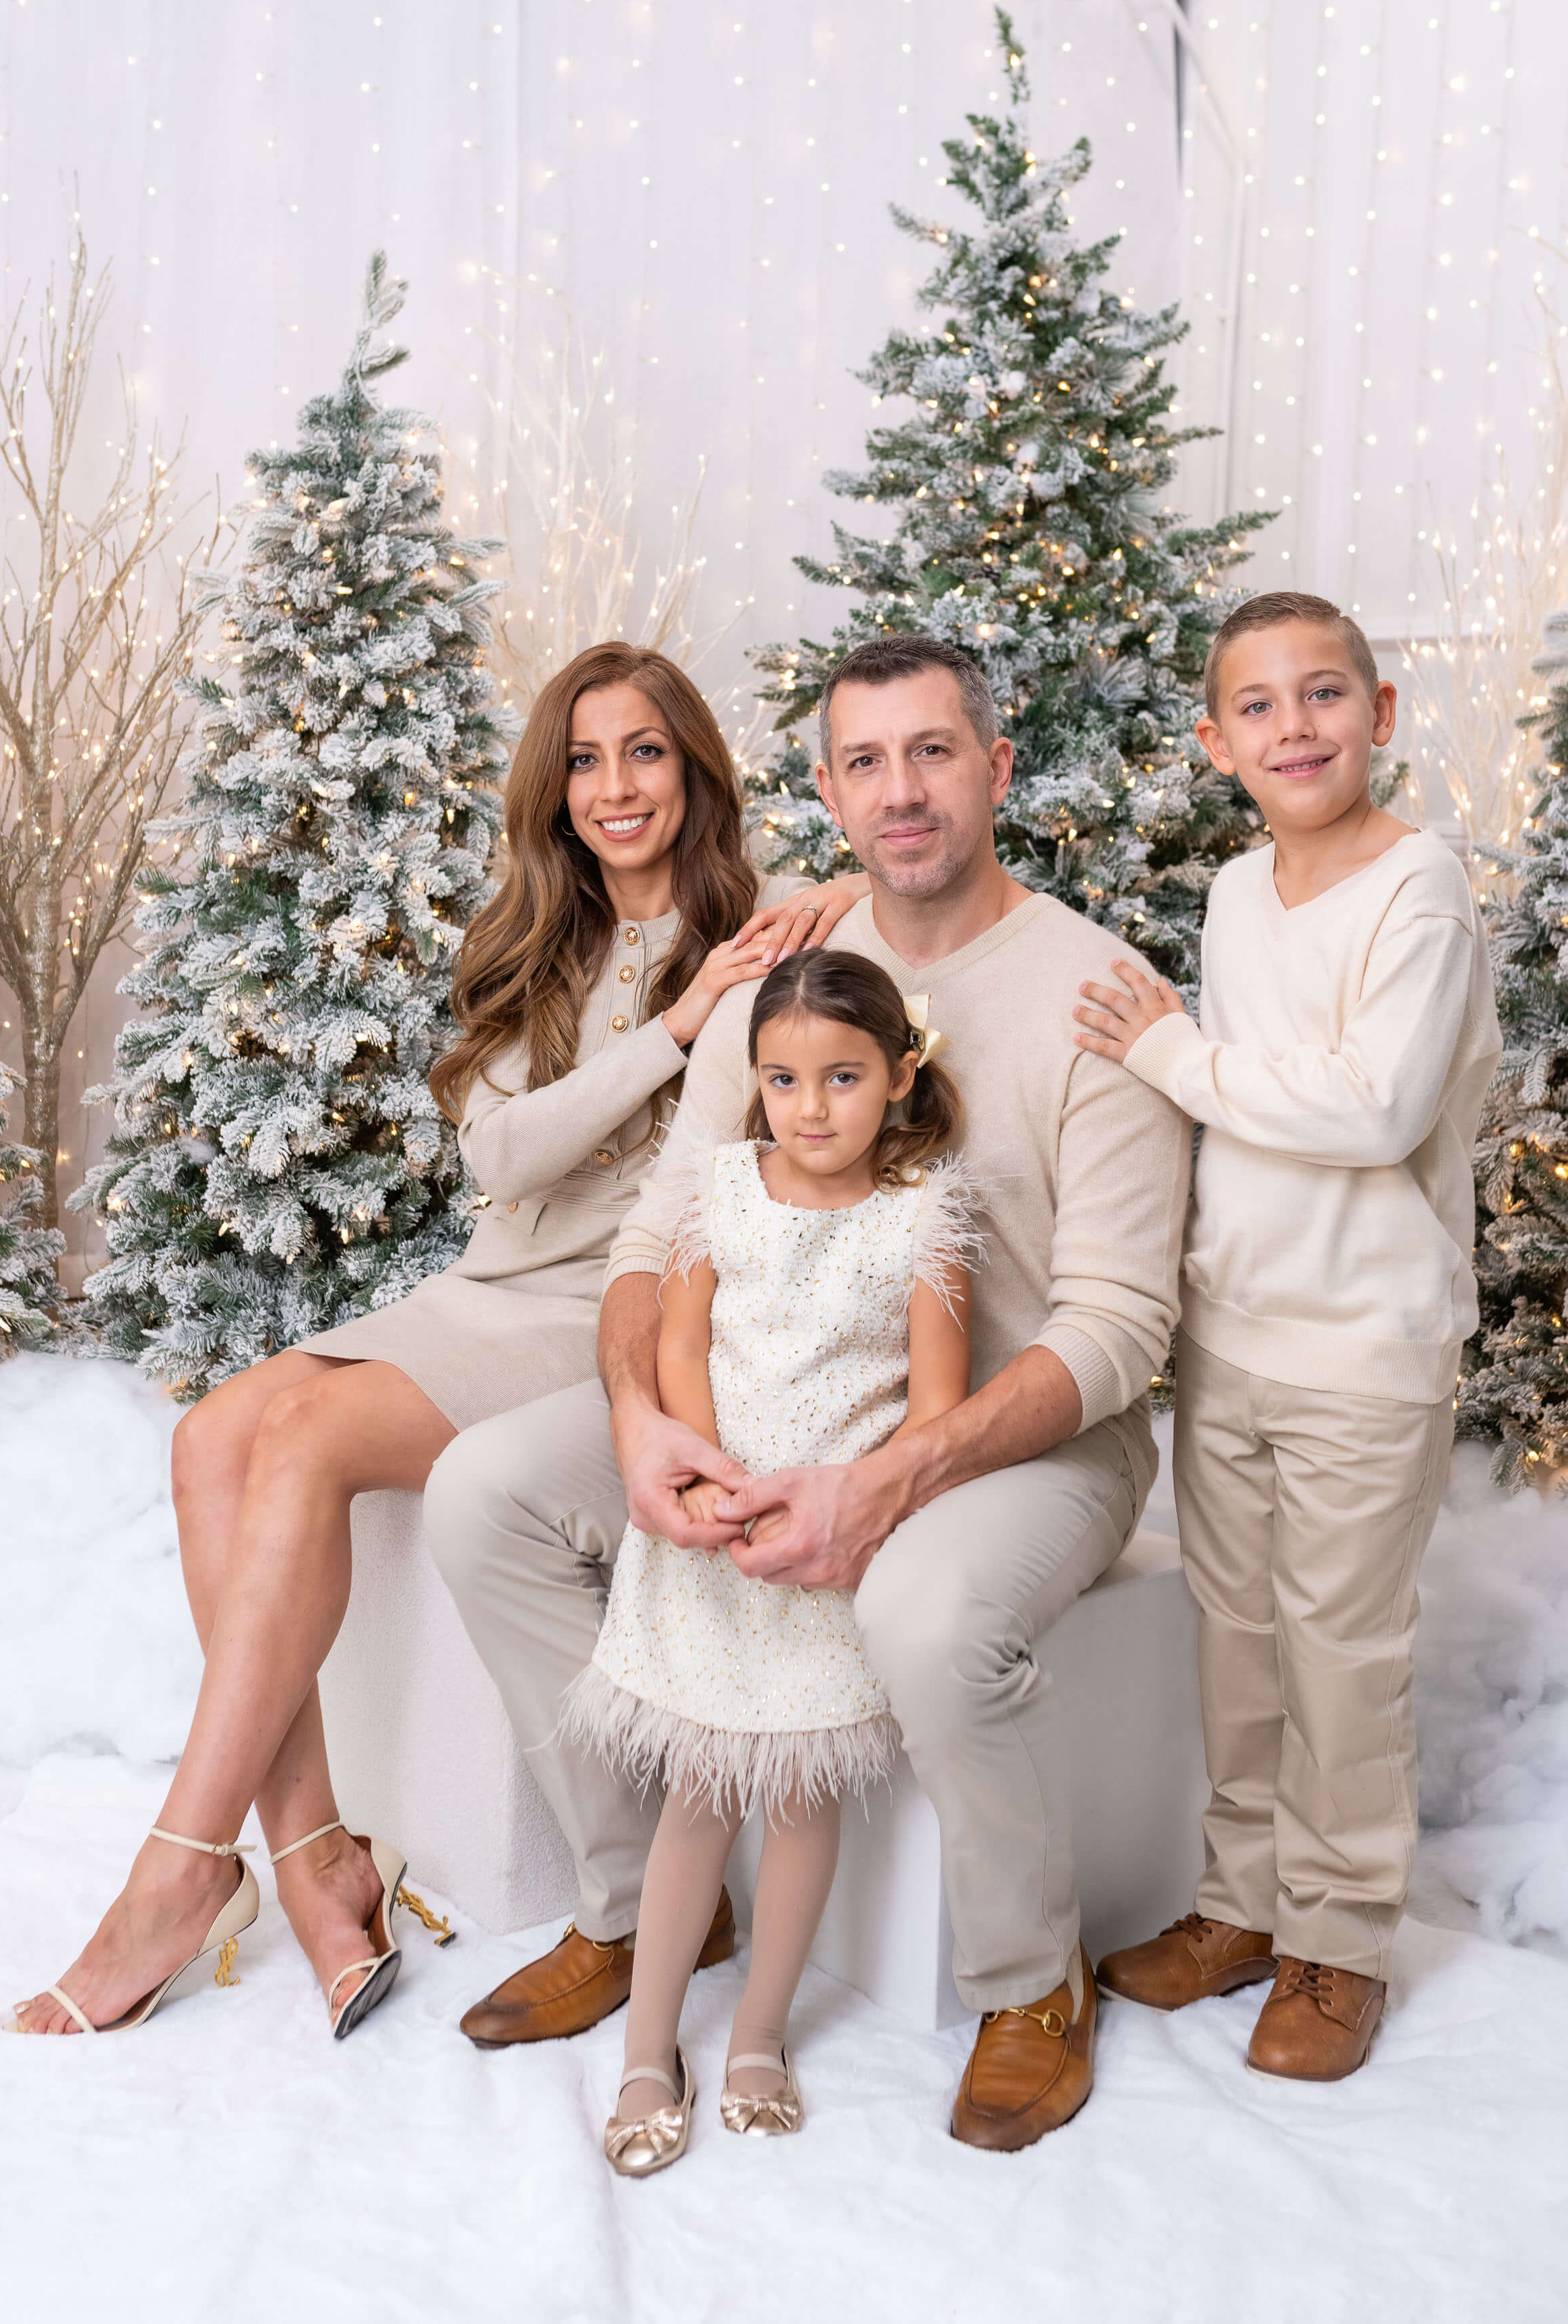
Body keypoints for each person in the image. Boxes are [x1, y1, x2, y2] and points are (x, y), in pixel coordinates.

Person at [1, 641, 864, 2038]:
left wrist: (778, 946)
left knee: (307, 1441)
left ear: (695, 769)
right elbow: (506, 1159)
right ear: (555, 788)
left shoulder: (770, 929)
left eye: (644, 751)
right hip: (486, 1289)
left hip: (611, 1314)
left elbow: (875, 972)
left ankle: (176, 1872)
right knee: (212, 1433)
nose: (613, 785)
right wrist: (674, 1028)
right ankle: (317, 1857)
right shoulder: (536, 936)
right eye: (583, 760)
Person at [425, 631, 1191, 2151]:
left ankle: (1031, 1981)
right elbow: (657, 1242)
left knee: (920, 1613)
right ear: (828, 787)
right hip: (764, 1383)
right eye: (861, 761)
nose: (897, 792)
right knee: (486, 1494)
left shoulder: (1096, 987)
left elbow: (1116, 1329)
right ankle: (644, 1903)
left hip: (1023, 1435)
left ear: (995, 767)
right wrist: (649, 1423)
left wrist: (896, 1478)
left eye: (930, 752)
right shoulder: (793, 963)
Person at [1077, 591, 1499, 2082]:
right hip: (1233, 1335)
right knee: (1239, 1648)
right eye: (1256, 707)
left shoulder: (1418, 887)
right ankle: (1240, 1905)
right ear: (1214, 744)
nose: (1293, 727)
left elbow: (1372, 1107)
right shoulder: (1236, 893)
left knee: (1338, 1660)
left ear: (1378, 715)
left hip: (1361, 1348)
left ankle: (1335, 1944)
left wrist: (1168, 1054)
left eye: (1323, 695)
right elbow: (1251, 1112)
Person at [561, 950, 978, 2174]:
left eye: (843, 1077)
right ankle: (649, 2045)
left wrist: (834, 1510)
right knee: (694, 1798)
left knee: (797, 1798)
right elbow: (680, 1345)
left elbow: (933, 1411)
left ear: (901, 1077)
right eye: (784, 1079)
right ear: (754, 1084)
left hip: (823, 1556)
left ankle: (756, 2033)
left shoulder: (924, 1223)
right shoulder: (721, 1188)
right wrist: (714, 1473)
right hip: (711, 1535)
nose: (810, 1107)